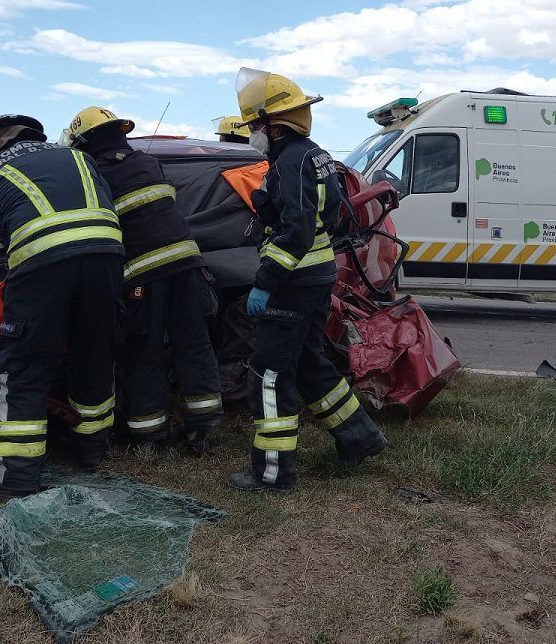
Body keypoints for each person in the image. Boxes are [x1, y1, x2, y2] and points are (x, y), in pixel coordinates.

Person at [227, 68, 387, 493]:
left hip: (292, 284)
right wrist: (268, 206)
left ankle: (272, 474)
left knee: (269, 376)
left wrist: (266, 280)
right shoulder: (313, 154)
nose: (252, 134)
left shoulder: (290, 163)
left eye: (255, 126)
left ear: (271, 124)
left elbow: (297, 230)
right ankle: (361, 438)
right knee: (311, 362)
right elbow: (328, 216)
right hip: (317, 277)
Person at [0, 114, 124, 499]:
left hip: (43, 267)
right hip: (106, 260)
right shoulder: (77, 157)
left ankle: (15, 477)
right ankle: (90, 453)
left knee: (25, 365)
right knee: (94, 356)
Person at [61, 107, 223, 453]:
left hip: (143, 276)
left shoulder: (94, 175)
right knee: (194, 344)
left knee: (144, 351)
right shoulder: (149, 163)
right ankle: (204, 428)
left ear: (83, 143)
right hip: (188, 266)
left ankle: (148, 437)